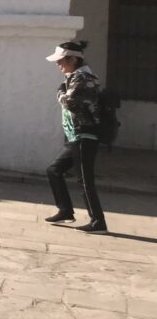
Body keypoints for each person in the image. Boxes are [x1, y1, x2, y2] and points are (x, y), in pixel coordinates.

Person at [44, 40, 107, 233]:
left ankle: (98, 222)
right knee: (54, 170)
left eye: (61, 60)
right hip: (75, 136)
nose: (58, 64)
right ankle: (65, 210)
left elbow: (70, 102)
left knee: (84, 180)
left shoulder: (83, 77)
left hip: (85, 135)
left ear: (73, 59)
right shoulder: (75, 76)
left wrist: (60, 93)